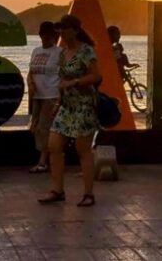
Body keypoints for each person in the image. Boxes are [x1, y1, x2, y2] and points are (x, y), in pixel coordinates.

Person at [39, 14, 101, 207]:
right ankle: (57, 190)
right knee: (54, 145)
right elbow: (61, 82)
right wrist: (57, 104)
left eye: (64, 28)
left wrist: (75, 82)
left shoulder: (86, 51)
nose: (61, 33)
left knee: (82, 149)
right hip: (66, 106)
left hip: (84, 105)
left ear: (74, 29)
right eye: (60, 29)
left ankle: (88, 193)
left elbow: (96, 76)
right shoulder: (63, 53)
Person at [27, 21, 62, 174]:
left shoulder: (59, 52)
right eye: (44, 35)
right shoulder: (35, 51)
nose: (46, 38)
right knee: (35, 126)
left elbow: (63, 74)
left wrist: (60, 97)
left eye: (50, 36)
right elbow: (31, 71)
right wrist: (30, 84)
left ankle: (43, 161)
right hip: (37, 96)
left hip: (51, 95)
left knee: (44, 127)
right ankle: (43, 157)